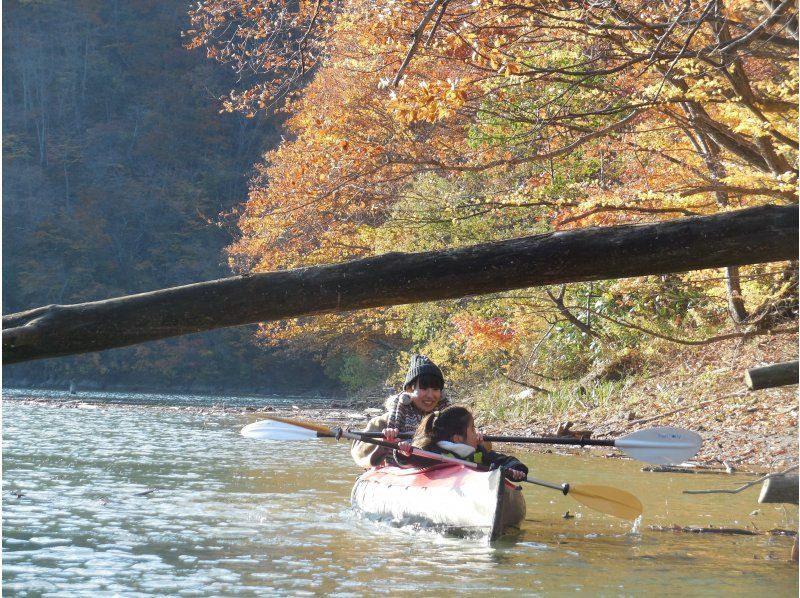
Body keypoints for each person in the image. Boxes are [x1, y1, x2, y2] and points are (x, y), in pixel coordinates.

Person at [351, 354, 450, 468]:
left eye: (435, 389)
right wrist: (383, 444)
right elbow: (359, 454)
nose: (430, 395)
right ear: (409, 389)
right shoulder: (384, 422)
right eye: (423, 388)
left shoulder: (451, 420)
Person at [396, 406, 528, 481]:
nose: (477, 434)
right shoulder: (433, 453)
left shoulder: (478, 454)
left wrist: (516, 469)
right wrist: (403, 453)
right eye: (472, 429)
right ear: (458, 438)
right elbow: (412, 460)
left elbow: (503, 460)